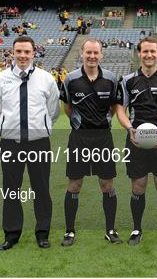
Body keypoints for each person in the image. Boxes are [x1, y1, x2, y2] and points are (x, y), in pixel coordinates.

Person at [0, 36, 60, 250]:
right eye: (18, 51)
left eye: (26, 52)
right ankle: (11, 234)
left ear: (33, 53)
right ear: (12, 53)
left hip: (38, 143)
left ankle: (43, 233)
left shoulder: (46, 79)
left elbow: (53, 111)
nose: (22, 55)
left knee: (41, 189)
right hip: (10, 143)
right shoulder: (1, 79)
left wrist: (39, 127)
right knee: (11, 190)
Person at [115, 36, 157, 245]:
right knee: (138, 186)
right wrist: (130, 129)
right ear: (139, 53)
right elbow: (120, 109)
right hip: (136, 140)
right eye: (145, 51)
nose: (149, 55)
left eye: (153, 51)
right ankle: (137, 229)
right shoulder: (127, 81)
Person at [59, 39, 122, 246]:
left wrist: (102, 121)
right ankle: (69, 231)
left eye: (96, 53)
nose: (92, 56)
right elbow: (68, 107)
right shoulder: (71, 79)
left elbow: (114, 106)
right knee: (75, 183)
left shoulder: (111, 79)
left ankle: (110, 230)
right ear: (82, 54)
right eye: (88, 53)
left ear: (101, 55)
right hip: (79, 138)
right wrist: (80, 123)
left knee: (107, 184)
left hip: (103, 138)